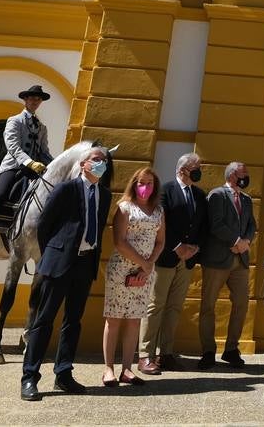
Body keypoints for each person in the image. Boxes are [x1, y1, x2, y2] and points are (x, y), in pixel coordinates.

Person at [20, 145, 113, 402]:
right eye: (96, 159)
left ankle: (64, 373)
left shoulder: (104, 195)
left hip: (85, 264)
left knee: (73, 322)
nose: (101, 163)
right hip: (59, 262)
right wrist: (52, 253)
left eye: (103, 160)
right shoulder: (65, 189)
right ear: (83, 164)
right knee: (44, 320)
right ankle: (29, 377)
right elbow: (44, 225)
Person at [138, 153, 207, 374]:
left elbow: (203, 225)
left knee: (175, 307)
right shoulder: (165, 190)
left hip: (186, 262)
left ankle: (165, 353)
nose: (199, 170)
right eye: (196, 167)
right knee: (155, 306)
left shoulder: (199, 194)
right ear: (182, 169)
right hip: (166, 257)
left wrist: (195, 249)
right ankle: (145, 355)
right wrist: (177, 246)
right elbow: (161, 221)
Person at [0, 85, 54, 258]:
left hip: (34, 169)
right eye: (32, 98)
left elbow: (44, 152)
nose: (35, 101)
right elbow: (13, 147)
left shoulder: (42, 127)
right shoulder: (14, 121)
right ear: (25, 100)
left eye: (38, 99)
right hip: (13, 167)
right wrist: (30, 162)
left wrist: (53, 165)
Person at [101, 166, 165, 387]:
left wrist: (148, 266)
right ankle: (108, 369)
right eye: (140, 182)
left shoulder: (158, 211)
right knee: (115, 319)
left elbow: (160, 241)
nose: (144, 187)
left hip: (145, 273)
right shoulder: (124, 207)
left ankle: (127, 369)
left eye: (149, 183)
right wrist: (144, 263)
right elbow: (119, 241)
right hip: (122, 270)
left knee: (134, 321)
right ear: (134, 184)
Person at [198, 161, 256, 369]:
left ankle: (231, 349)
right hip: (217, 259)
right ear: (232, 175)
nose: (246, 176)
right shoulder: (217, 195)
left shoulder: (247, 200)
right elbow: (216, 224)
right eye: (243, 173)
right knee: (208, 306)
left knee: (241, 303)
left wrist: (246, 242)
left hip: (240, 261)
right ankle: (207, 351)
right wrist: (235, 242)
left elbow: (252, 225)